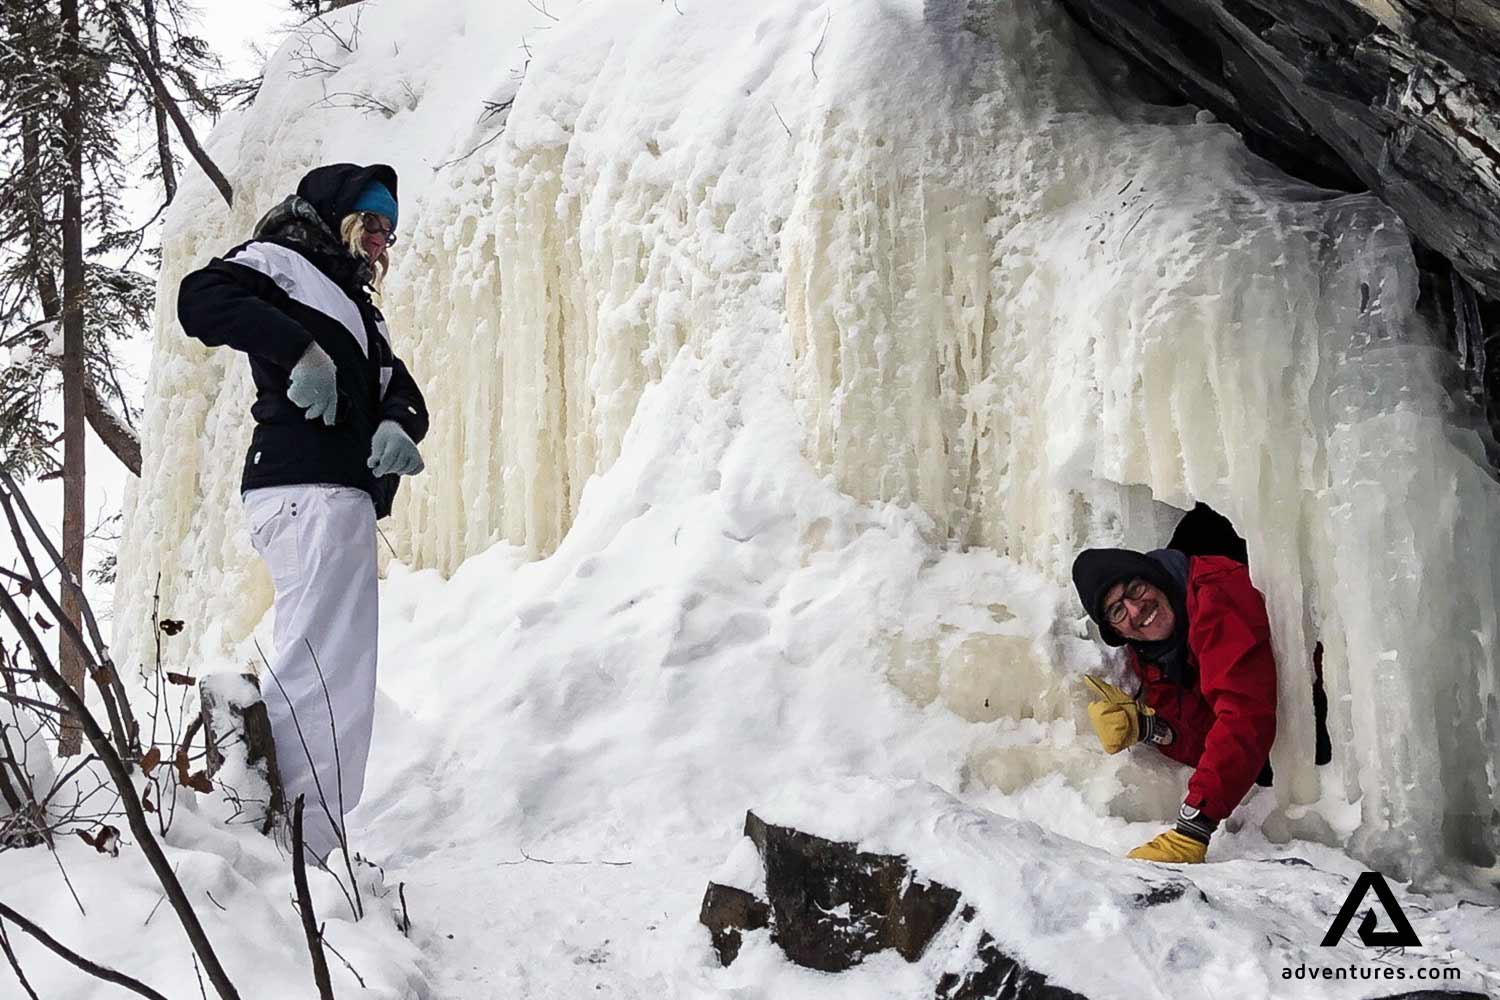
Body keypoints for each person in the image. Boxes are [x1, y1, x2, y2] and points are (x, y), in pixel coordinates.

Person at [176, 163, 428, 860]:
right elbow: (201, 297)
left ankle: (287, 828)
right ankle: (303, 849)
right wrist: (300, 349)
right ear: (338, 218)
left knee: (327, 662)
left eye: (389, 232)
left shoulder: (360, 313)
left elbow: (400, 388)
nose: (381, 241)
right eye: (372, 224)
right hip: (307, 488)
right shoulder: (281, 261)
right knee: (327, 672)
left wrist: (400, 424)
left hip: (326, 493)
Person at [1071, 509, 1277, 864]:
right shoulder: (1152, 654)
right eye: (1117, 612)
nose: (1136, 610)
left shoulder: (1215, 593)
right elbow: (1204, 738)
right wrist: (1149, 729)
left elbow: (1244, 713)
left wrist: (1194, 826)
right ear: (1116, 633)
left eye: (1135, 589)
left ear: (1154, 578)